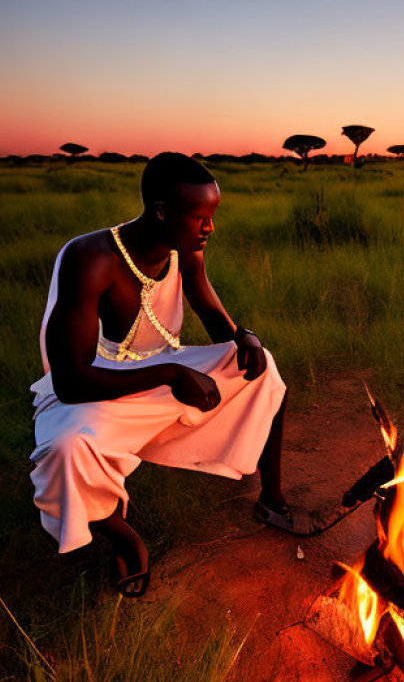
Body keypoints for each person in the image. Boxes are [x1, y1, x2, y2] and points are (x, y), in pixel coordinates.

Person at [30, 152, 292, 597]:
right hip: (96, 382)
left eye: (212, 215)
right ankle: (123, 535)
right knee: (65, 450)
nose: (209, 227)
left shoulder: (184, 248)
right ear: (161, 211)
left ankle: (272, 499)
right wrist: (170, 374)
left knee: (261, 369)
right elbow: (70, 382)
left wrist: (241, 337)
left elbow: (206, 303)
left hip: (164, 369)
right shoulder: (90, 257)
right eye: (200, 217)